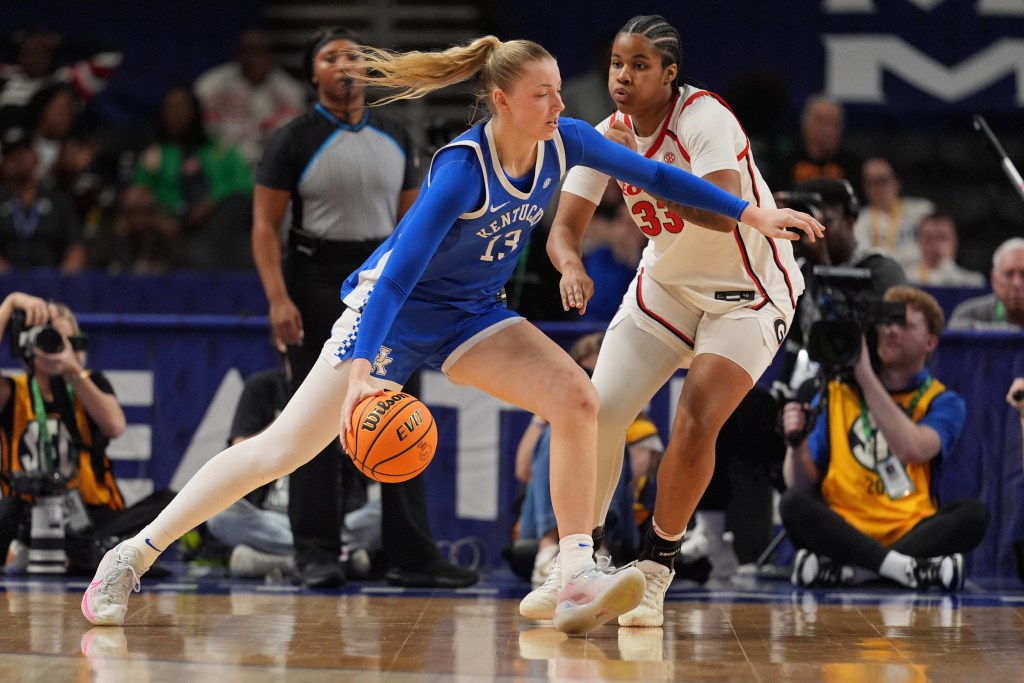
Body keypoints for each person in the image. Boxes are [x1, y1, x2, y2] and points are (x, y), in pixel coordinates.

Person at [81, 33, 821, 635]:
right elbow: (396, 277)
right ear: (502, 102)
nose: (560, 104)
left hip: (471, 313)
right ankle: (132, 555)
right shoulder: (463, 169)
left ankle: (573, 570)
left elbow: (655, 178)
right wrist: (365, 369)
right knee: (281, 449)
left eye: (560, 91)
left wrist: (752, 213)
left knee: (577, 398)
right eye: (543, 94)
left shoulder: (565, 140)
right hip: (394, 314)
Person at [527, 15, 817, 628]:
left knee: (694, 420)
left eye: (639, 65)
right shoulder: (605, 132)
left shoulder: (704, 117)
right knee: (595, 411)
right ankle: (579, 565)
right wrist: (571, 265)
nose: (623, 76)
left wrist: (638, 165)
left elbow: (718, 211)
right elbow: (562, 229)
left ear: (669, 74)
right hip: (665, 287)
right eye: (616, 63)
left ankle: (656, 570)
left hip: (748, 292)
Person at [249, 27, 474, 590]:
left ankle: (412, 556)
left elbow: (414, 225)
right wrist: (277, 297)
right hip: (314, 278)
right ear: (313, 74)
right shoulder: (292, 139)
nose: (346, 64)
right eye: (331, 57)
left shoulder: (396, 133)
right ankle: (316, 553)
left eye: (353, 55)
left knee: (398, 411)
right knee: (313, 422)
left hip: (384, 278)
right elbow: (264, 227)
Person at [780, 286, 990, 591]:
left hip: (911, 528)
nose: (891, 331)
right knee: (793, 503)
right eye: (886, 323)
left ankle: (853, 572)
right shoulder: (837, 391)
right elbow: (800, 483)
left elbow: (912, 449)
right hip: (843, 527)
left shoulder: (943, 401)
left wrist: (864, 375)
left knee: (974, 515)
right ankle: (904, 569)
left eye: (905, 324)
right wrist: (796, 446)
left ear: (930, 342)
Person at [0, 293, 173, 575]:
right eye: (49, 337)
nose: (57, 346)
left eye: (66, 340)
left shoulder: (89, 382)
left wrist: (72, 369)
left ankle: (85, 552)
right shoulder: (13, 391)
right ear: (28, 344)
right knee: (5, 510)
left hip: (93, 516)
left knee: (170, 501)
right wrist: (11, 303)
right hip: (32, 513)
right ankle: (100, 554)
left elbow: (115, 426)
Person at [132, 85, 254, 270]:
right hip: (171, 224)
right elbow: (138, 196)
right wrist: (159, 220)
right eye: (170, 107)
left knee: (236, 205)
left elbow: (245, 186)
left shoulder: (220, 150)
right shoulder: (154, 155)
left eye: (182, 106)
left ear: (196, 111)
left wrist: (210, 202)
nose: (176, 113)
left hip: (216, 222)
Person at [194, 29, 307, 170]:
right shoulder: (211, 86)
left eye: (261, 51)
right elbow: (202, 136)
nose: (254, 58)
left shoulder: (291, 92)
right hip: (221, 167)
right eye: (248, 51)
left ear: (271, 55)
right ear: (238, 54)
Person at [0, 125, 84, 272]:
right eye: (12, 153)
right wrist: (11, 278)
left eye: (26, 151)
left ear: (36, 157)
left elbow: (75, 247)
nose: (20, 157)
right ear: (5, 161)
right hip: (5, 281)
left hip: (51, 281)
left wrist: (64, 280)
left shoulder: (58, 200)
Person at [852, 157, 935, 272]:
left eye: (882, 180)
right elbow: (867, 260)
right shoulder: (859, 220)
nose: (878, 188)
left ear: (896, 182)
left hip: (921, 276)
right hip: (885, 277)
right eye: (872, 182)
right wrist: (913, 253)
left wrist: (888, 256)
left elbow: (936, 249)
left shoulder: (922, 211)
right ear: (865, 188)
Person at [772, 95, 861, 193]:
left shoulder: (854, 166)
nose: (827, 130)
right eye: (820, 122)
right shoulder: (786, 164)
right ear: (805, 125)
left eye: (833, 123)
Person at [948, 237, 1024, 330]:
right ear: (994, 279)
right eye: (1009, 274)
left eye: (1023, 274)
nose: (1016, 283)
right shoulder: (969, 314)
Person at [906, 212, 986, 287]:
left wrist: (946, 265)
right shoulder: (907, 280)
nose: (936, 245)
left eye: (943, 238)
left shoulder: (973, 281)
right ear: (918, 242)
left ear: (955, 241)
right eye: (928, 239)